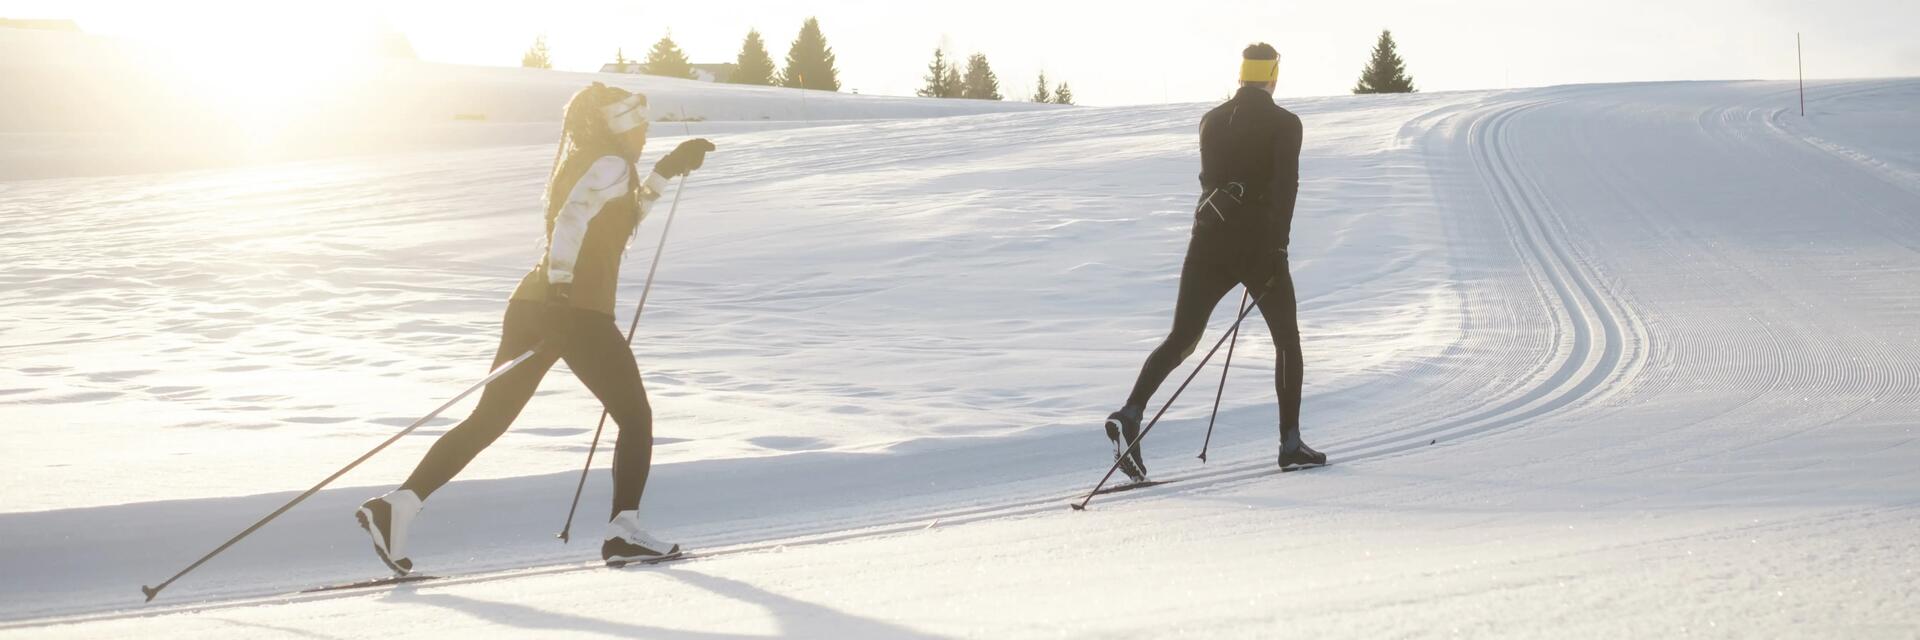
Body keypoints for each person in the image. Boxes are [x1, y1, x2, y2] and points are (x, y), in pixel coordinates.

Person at [356, 82, 715, 573]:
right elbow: (571, 220)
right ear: (621, 126)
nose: (646, 132)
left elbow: (618, 222)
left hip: (534, 305)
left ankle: (397, 506)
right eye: (641, 125)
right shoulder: (609, 164)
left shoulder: (599, 162)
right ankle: (623, 531)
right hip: (573, 311)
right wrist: (565, 290)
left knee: (489, 420)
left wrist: (664, 173)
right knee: (635, 416)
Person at [1104, 43, 1325, 481]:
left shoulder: (1210, 121)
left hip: (1207, 241)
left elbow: (1211, 180)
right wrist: (1278, 246)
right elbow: (1285, 188)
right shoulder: (1286, 124)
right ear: (1273, 76)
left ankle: (1131, 413)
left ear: (1242, 75)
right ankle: (1290, 442)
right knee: (1286, 340)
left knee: (1182, 337)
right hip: (1259, 248)